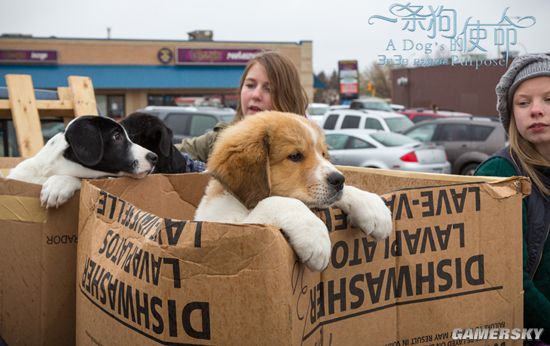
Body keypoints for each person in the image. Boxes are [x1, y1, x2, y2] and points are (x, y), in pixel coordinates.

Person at [474, 53, 550, 343]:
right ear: (511, 114)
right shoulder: (500, 172)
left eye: (548, 99)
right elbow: (506, 278)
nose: (536, 110)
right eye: (523, 102)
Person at [176, 51, 309, 162]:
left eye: (269, 89)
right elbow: (167, 155)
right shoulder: (217, 141)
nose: (256, 95)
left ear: (288, 97)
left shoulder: (309, 152)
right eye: (250, 85)